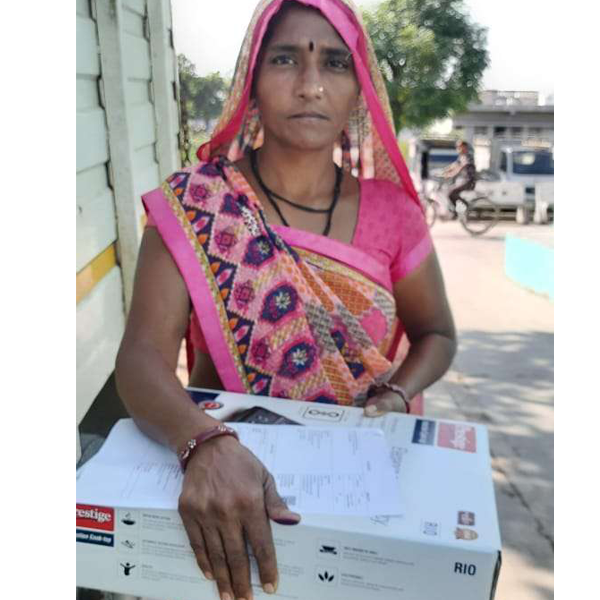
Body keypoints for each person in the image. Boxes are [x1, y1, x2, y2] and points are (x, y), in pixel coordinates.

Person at [115, 1, 457, 599]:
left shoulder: (394, 216)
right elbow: (141, 360)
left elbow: (438, 334)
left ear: (358, 92)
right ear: (252, 79)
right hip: (226, 482)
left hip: (356, 484)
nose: (310, 84)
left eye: (333, 63)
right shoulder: (197, 205)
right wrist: (202, 443)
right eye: (285, 59)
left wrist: (399, 392)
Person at [443, 140, 477, 216]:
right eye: (457, 147)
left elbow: (461, 167)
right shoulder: (461, 156)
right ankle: (457, 210)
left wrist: (451, 174)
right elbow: (454, 165)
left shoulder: (468, 156)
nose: (457, 148)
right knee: (449, 191)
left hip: (469, 181)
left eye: (459, 147)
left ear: (464, 147)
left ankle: (465, 206)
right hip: (463, 181)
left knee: (451, 193)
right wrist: (444, 171)